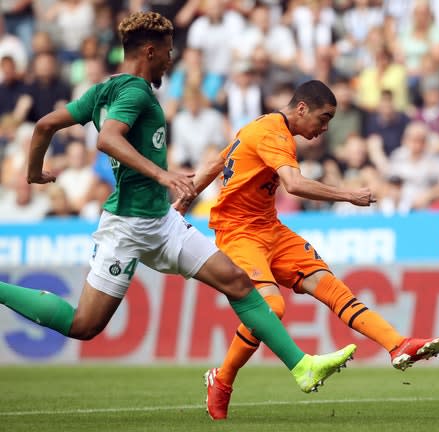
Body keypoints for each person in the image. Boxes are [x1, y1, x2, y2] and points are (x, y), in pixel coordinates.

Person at [0, 11, 356, 397]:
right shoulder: (135, 92)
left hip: (161, 221)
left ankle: (301, 367)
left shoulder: (101, 91)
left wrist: (34, 171)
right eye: (168, 53)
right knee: (85, 325)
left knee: (237, 283)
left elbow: (44, 125)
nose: (171, 60)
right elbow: (108, 141)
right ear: (150, 51)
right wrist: (162, 175)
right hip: (127, 226)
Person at [174, 79, 439, 420]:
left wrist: (184, 200)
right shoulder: (272, 132)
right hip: (238, 233)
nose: (324, 128)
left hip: (270, 228)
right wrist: (349, 195)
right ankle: (222, 379)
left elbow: (219, 160)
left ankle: (397, 344)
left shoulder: (263, 128)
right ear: (301, 108)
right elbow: (294, 184)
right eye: (324, 117)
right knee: (270, 307)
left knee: (331, 286)